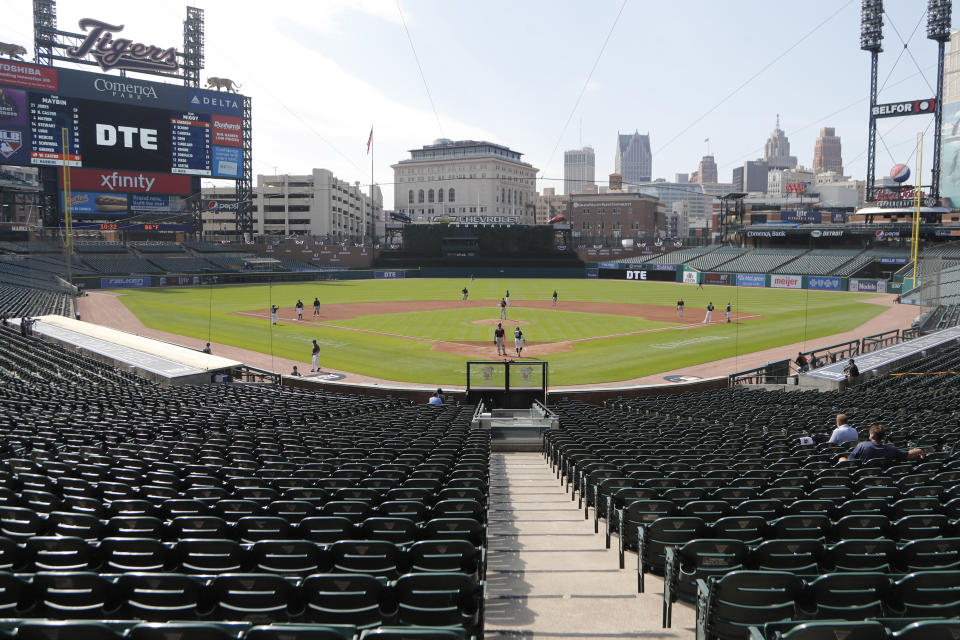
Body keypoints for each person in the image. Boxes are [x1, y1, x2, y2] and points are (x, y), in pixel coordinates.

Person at [841, 424, 924, 462]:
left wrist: (841, 459)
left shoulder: (862, 445)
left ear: (871, 436)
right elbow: (909, 454)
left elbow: (849, 462)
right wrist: (919, 450)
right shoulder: (891, 449)